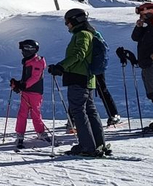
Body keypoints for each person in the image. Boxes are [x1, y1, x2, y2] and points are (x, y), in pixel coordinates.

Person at [48, 8, 108, 157]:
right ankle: (99, 144)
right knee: (90, 111)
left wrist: (61, 66)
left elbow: (79, 54)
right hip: (88, 79)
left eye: (67, 22)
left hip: (78, 78)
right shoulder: (90, 33)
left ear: (75, 20)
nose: (67, 25)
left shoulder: (82, 34)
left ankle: (87, 146)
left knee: (78, 112)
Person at [10, 39, 48, 148]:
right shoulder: (29, 61)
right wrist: (18, 84)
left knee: (35, 112)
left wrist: (22, 86)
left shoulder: (37, 61)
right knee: (22, 113)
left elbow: (35, 78)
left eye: (23, 49)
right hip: (27, 91)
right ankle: (20, 134)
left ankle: (40, 132)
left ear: (29, 50)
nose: (22, 52)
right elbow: (27, 78)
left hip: (35, 92)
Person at [131, 2, 153, 133]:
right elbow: (135, 38)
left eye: (143, 14)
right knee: (151, 93)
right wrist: (139, 26)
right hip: (145, 64)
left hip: (150, 64)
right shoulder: (147, 26)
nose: (141, 17)